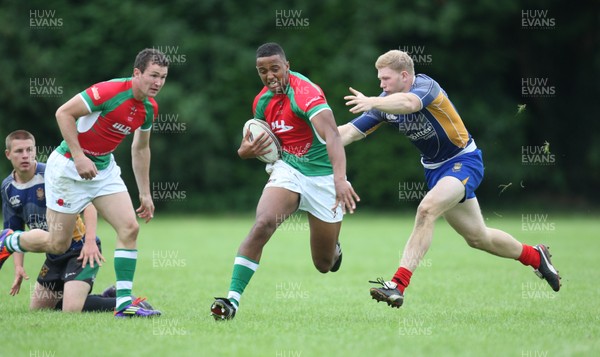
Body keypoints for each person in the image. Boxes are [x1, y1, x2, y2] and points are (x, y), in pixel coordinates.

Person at [338, 50, 561, 308]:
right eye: (380, 79)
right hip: (436, 171)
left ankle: (397, 285)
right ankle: (536, 257)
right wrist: (308, 144)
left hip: (464, 161)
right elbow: (348, 133)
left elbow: (409, 104)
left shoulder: (425, 86)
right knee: (478, 238)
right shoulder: (383, 102)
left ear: (404, 75)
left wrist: (374, 102)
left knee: (426, 209)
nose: (381, 85)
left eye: (385, 78)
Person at [0, 48, 168, 318]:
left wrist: (145, 193)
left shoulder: (149, 108)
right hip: (67, 167)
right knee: (57, 244)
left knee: (129, 228)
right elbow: (63, 113)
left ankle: (124, 304)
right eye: (153, 76)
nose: (158, 83)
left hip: (104, 170)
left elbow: (141, 149)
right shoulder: (110, 91)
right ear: (137, 73)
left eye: (163, 77)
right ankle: (10, 241)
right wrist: (79, 157)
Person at [210, 42, 360, 320]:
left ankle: (334, 249)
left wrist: (340, 179)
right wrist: (244, 151)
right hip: (288, 170)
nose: (270, 76)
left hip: (324, 178)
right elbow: (251, 142)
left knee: (324, 264)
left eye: (275, 69)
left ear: (287, 66)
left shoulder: (306, 94)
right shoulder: (262, 101)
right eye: (262, 71)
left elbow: (333, 135)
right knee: (263, 223)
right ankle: (231, 301)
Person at [2, 130, 154, 312]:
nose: (25, 155)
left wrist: (90, 242)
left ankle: (126, 301)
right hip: (54, 252)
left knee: (71, 309)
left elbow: (88, 203)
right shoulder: (8, 188)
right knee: (39, 309)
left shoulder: (52, 173)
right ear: (8, 154)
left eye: (29, 150)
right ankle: (106, 295)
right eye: (19, 151)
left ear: (35, 151)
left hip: (80, 250)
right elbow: (13, 232)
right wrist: (19, 266)